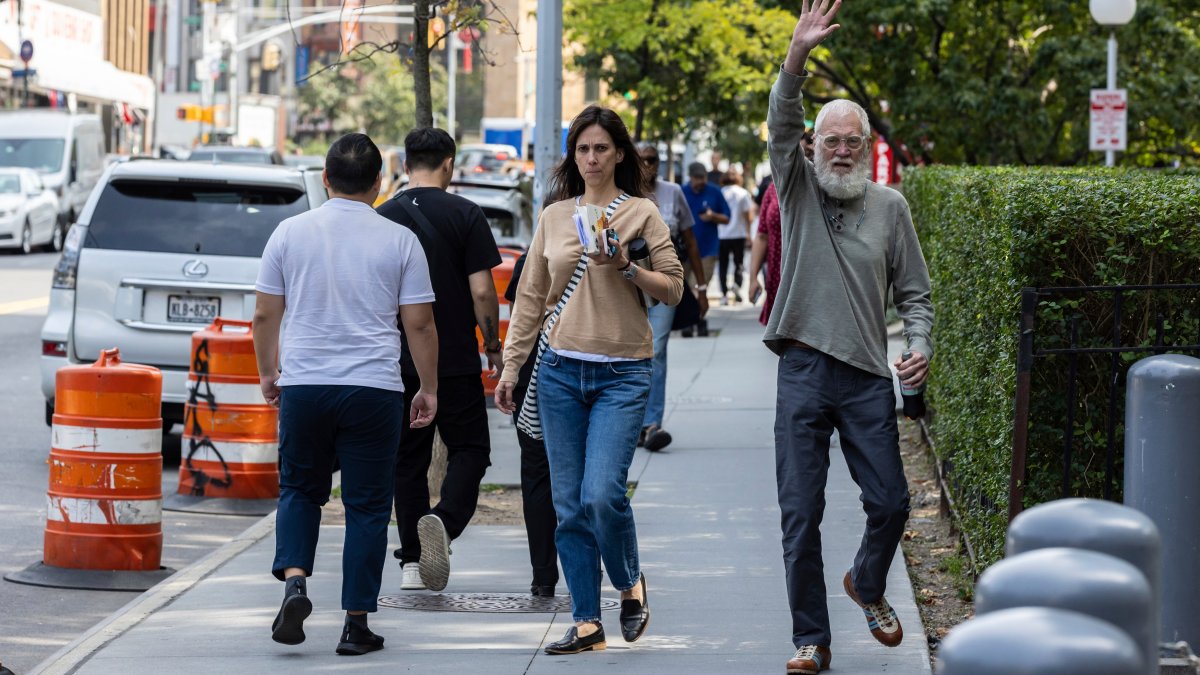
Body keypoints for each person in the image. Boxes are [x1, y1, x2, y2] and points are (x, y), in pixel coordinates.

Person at [766, 3, 934, 674]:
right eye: (829, 139)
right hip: (803, 369)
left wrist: (918, 342)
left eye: (851, 142)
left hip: (867, 375)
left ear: (866, 149)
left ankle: (867, 581)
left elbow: (915, 293)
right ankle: (812, 638)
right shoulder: (798, 186)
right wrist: (796, 58)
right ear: (812, 146)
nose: (840, 150)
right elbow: (781, 117)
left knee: (892, 501)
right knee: (800, 515)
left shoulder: (891, 207)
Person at [495, 105, 684, 655]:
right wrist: (512, 367)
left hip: (622, 374)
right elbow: (531, 298)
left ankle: (628, 584)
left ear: (619, 154)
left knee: (603, 494)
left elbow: (672, 288)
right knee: (568, 503)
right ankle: (585, 620)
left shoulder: (642, 213)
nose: (592, 158)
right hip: (558, 372)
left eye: (602, 148)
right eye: (582, 148)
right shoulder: (555, 217)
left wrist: (627, 266)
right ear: (571, 156)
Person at [253, 132, 438, 656]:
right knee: (367, 507)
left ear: (326, 179)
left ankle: (294, 582)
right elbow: (420, 325)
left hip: (306, 384)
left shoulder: (289, 233)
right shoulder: (400, 240)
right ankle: (356, 624)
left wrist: (270, 374)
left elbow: (266, 314)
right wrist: (427, 388)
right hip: (373, 389)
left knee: (299, 490)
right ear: (380, 184)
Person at [375, 128, 503, 593]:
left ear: (406, 163)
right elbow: (483, 290)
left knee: (406, 460)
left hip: (397, 361)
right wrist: (492, 345)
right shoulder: (467, 214)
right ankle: (444, 524)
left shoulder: (382, 217)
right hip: (453, 360)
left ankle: (411, 562)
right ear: (449, 163)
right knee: (471, 450)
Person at [634, 141, 709, 452]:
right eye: (643, 161)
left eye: (653, 160)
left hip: (664, 283)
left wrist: (701, 288)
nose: (648, 167)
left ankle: (652, 424)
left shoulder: (673, 193)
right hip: (629, 284)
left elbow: (690, 243)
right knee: (633, 351)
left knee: (657, 348)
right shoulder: (621, 193)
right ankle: (632, 422)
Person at [504, 252, 560, 597]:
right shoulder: (599, 249)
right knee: (580, 472)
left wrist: (510, 369)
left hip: (532, 373)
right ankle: (587, 563)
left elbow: (519, 319)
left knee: (537, 474)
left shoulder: (532, 257)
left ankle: (542, 576)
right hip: (581, 369)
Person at [681, 161, 730, 337]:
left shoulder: (714, 192)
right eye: (697, 178)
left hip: (708, 249)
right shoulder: (681, 192)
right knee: (684, 288)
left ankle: (695, 320)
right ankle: (694, 320)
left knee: (698, 286)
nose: (700, 181)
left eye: (703, 177)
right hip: (684, 251)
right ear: (690, 177)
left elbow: (727, 218)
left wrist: (713, 216)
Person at [717, 169, 756, 305]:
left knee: (723, 265)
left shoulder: (719, 193)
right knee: (738, 263)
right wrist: (748, 234)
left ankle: (724, 294)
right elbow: (748, 216)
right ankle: (737, 285)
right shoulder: (742, 193)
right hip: (738, 234)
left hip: (722, 234)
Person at [748, 182, 781, 324]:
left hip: (813, 282)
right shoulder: (773, 188)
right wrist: (753, 278)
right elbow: (762, 236)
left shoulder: (823, 183)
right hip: (777, 280)